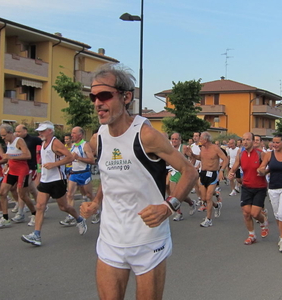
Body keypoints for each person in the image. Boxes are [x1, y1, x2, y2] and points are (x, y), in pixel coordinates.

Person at [79, 63, 198, 300]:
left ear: (126, 97)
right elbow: (110, 175)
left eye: (104, 95)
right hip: (111, 239)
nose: (97, 103)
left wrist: (168, 207)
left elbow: (189, 171)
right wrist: (95, 201)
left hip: (148, 241)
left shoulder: (146, 135)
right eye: (93, 96)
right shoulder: (97, 138)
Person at [21, 121, 87, 246]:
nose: (40, 133)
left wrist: (54, 165)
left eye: (42, 131)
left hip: (57, 180)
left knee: (64, 207)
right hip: (45, 180)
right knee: (40, 206)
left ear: (50, 131)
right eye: (39, 131)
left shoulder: (56, 143)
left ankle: (79, 219)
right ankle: (36, 235)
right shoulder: (43, 143)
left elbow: (70, 157)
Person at [229, 132, 269, 245]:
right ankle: (252, 235)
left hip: (259, 187)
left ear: (253, 141)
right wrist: (231, 173)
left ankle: (263, 223)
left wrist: (263, 172)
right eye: (243, 140)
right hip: (246, 186)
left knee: (255, 214)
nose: (245, 142)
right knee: (246, 213)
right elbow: (235, 167)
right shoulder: (241, 155)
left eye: (248, 139)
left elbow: (270, 168)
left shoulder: (261, 154)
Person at [186, 131, 228, 228]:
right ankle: (217, 206)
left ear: (206, 139)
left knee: (209, 197)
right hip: (203, 174)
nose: (199, 140)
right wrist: (191, 154)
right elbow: (200, 158)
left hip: (213, 174)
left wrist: (221, 170)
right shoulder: (203, 148)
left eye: (201, 138)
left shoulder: (215, 148)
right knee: (204, 198)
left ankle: (208, 219)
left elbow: (225, 159)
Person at [60, 126, 99, 226]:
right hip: (74, 173)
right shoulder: (72, 145)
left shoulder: (85, 145)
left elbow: (92, 160)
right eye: (71, 133)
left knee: (90, 195)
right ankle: (71, 217)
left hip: (84, 173)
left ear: (80, 135)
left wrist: (79, 158)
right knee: (69, 194)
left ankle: (97, 212)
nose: (71, 135)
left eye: (74, 133)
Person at [0, 124, 36, 228]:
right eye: (1, 136)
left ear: (10, 133)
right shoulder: (8, 142)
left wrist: (11, 156)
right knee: (2, 193)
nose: (3, 138)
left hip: (21, 171)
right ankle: (5, 218)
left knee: (23, 195)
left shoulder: (19, 141)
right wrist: (5, 163)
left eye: (4, 135)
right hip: (11, 171)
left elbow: (27, 155)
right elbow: (8, 157)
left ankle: (35, 214)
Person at [13, 124, 42, 224]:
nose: (17, 134)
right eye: (16, 132)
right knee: (32, 190)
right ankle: (41, 205)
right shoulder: (16, 140)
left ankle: (21, 213)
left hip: (30, 167)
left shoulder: (33, 139)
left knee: (21, 190)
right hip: (20, 167)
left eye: (19, 132)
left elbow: (45, 144)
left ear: (25, 131)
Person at [169, 132, 197, 221]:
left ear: (180, 140)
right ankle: (179, 213)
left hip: (183, 172)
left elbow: (193, 158)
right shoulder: (169, 148)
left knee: (181, 194)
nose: (174, 141)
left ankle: (191, 203)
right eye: (172, 139)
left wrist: (190, 167)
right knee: (174, 194)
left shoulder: (184, 148)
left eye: (176, 139)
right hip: (174, 172)